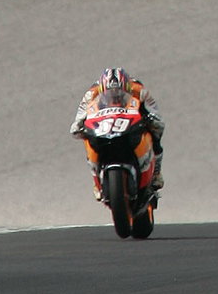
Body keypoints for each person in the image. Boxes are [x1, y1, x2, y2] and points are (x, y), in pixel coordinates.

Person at [70, 66, 165, 197]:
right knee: (89, 140)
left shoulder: (139, 90)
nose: (114, 95)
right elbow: (80, 116)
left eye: (118, 92)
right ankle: (96, 179)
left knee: (155, 133)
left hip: (131, 118)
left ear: (126, 88)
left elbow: (154, 111)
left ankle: (156, 173)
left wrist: (152, 119)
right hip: (106, 123)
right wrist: (78, 125)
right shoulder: (91, 94)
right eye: (111, 92)